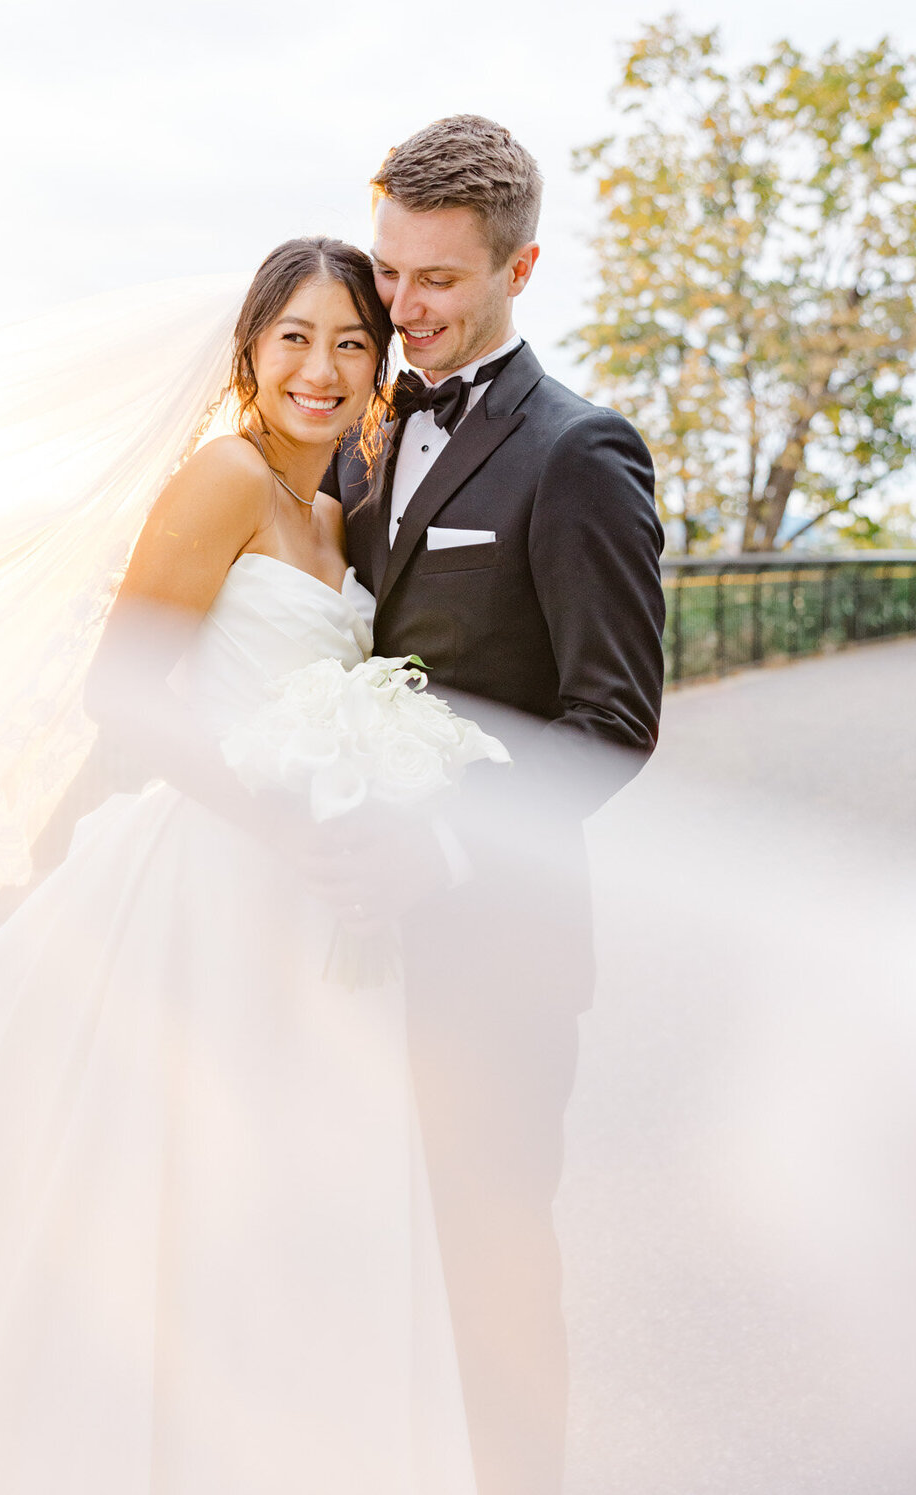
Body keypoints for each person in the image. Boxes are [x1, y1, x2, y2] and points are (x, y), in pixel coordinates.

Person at [0, 237, 485, 1495]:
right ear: (248, 346)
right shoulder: (225, 479)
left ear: (377, 364)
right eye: (295, 335)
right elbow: (122, 692)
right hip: (209, 882)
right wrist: (279, 817)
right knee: (178, 1214)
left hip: (319, 902)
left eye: (352, 340)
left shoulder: (333, 506)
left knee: (294, 1216)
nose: (323, 364)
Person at [322, 114, 666, 1495]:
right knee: (364, 1256)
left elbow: (615, 724)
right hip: (343, 956)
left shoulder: (580, 453)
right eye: (390, 271)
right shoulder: (359, 431)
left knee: (491, 1268)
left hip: (496, 955)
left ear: (522, 265)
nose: (401, 308)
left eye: (439, 282)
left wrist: (444, 840)